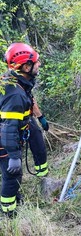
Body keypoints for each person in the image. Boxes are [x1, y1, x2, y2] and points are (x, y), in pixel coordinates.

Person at [0, 42, 42, 217]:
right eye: (36, 62)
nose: (39, 64)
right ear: (26, 66)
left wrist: (41, 117)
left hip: (8, 139)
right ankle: (9, 213)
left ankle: (14, 198)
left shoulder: (16, 82)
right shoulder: (15, 94)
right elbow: (8, 128)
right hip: (5, 142)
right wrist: (15, 157)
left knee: (11, 175)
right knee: (12, 176)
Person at [29, 97, 49, 177]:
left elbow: (32, 102)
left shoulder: (25, 87)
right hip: (8, 123)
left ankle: (42, 173)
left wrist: (41, 118)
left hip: (27, 119)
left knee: (38, 145)